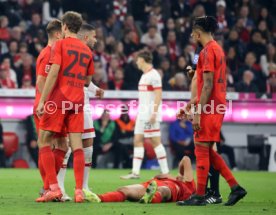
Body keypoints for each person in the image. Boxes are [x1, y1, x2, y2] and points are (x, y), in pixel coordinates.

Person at [177, 16, 246, 206]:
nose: (192, 35)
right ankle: (235, 187)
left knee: (201, 148)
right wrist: (190, 105)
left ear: (198, 33)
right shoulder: (217, 49)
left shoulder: (207, 51)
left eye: (193, 32)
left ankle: (200, 195)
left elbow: (207, 86)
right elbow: (209, 84)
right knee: (207, 150)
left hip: (210, 107)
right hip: (215, 105)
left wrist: (197, 112)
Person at [36, 11, 94, 203]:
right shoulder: (87, 50)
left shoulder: (59, 45)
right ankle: (78, 191)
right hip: (77, 102)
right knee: (75, 145)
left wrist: (43, 100)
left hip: (58, 100)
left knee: (44, 140)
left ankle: (53, 188)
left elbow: (53, 74)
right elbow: (87, 80)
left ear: (65, 27)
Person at [56, 23, 105, 200]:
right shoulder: (69, 49)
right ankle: (59, 187)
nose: (96, 40)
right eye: (94, 36)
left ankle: (83, 187)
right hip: (69, 102)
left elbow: (84, 81)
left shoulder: (85, 54)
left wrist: (95, 89)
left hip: (83, 102)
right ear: (85, 37)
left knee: (88, 145)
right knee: (67, 146)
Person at [32, 19, 70, 202]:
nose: (65, 35)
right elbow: (41, 81)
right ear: (57, 34)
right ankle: (49, 188)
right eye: (63, 32)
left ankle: (48, 188)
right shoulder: (49, 53)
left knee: (58, 145)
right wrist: (46, 103)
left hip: (50, 105)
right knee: (50, 144)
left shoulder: (53, 52)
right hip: (47, 106)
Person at [121, 51, 169, 179]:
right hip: (142, 114)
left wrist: (154, 113)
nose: (136, 62)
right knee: (137, 140)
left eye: (138, 60)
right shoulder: (144, 75)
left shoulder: (154, 75)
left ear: (142, 60)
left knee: (155, 142)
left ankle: (165, 172)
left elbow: (159, 94)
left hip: (150, 114)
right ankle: (135, 172)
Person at [85, 156, 195, 204]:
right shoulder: (171, 177)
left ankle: (151, 198)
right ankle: (99, 198)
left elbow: (186, 159)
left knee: (163, 190)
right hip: (151, 185)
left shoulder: (189, 186)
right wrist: (173, 175)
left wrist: (180, 174)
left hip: (171, 188)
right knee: (124, 190)